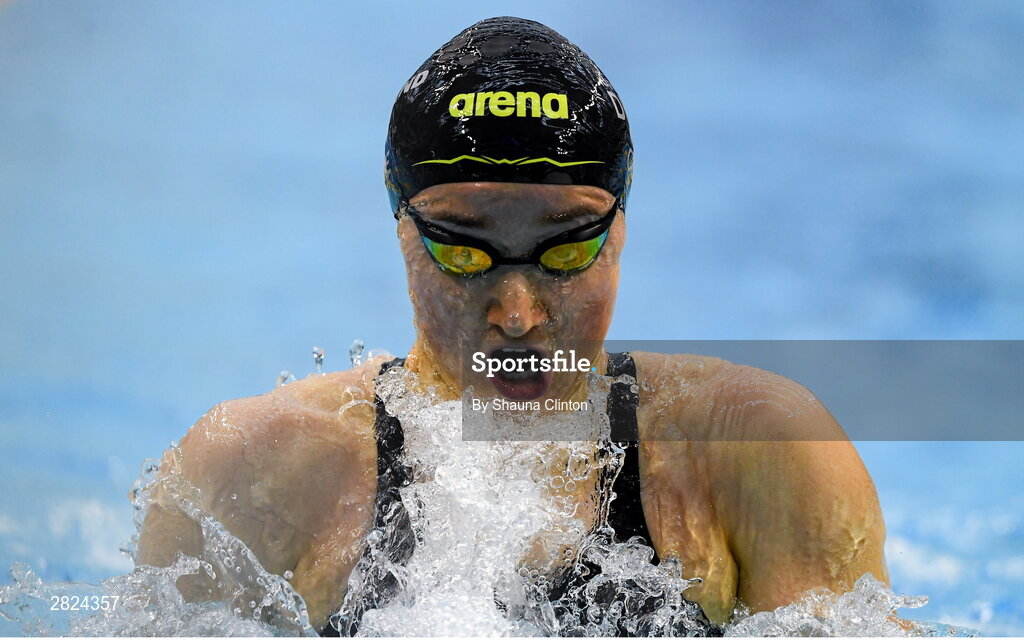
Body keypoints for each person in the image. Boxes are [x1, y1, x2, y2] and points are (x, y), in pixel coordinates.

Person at [136, 16, 888, 636]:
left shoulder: (764, 455)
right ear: (401, 226)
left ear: (621, 228)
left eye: (568, 249)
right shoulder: (249, 478)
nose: (519, 315)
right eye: (464, 253)